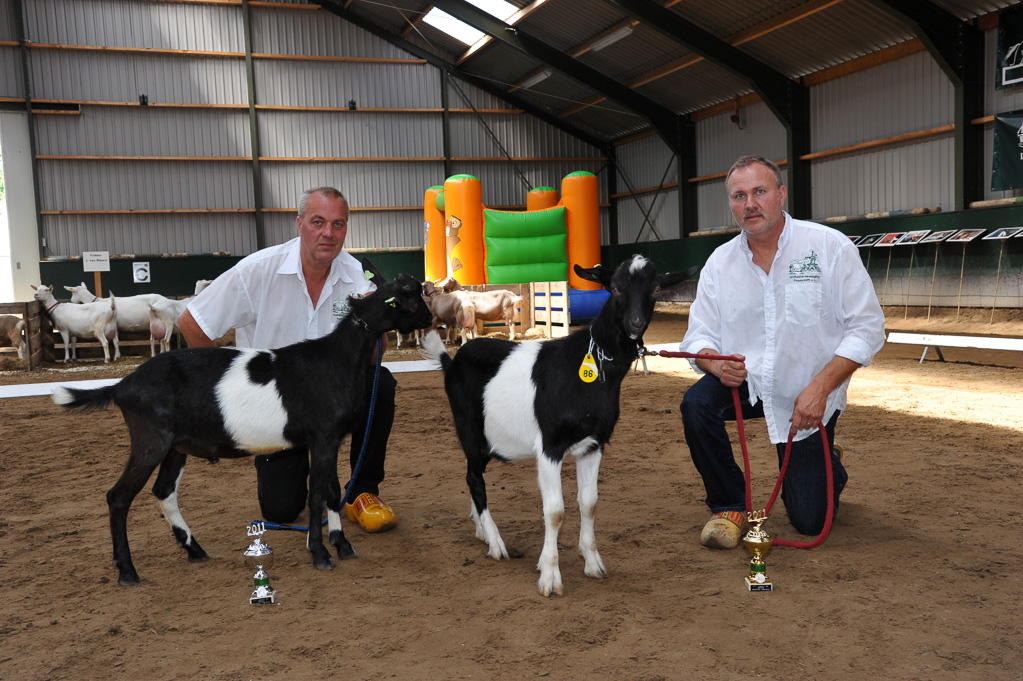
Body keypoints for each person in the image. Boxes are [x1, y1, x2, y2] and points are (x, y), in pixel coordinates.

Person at [679, 156, 885, 549]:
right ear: (732, 205)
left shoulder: (828, 247)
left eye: (759, 192)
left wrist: (822, 387)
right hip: (748, 382)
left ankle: (831, 468)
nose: (750, 204)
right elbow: (697, 337)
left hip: (806, 394)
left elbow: (868, 327)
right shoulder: (719, 263)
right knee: (697, 405)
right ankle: (729, 506)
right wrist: (714, 362)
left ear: (781, 194)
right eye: (739, 196)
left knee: (808, 519)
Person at [177, 186, 398, 533]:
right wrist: (229, 386)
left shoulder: (359, 276)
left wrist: (375, 319)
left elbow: (375, 354)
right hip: (276, 402)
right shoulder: (257, 270)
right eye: (318, 222)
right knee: (281, 510)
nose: (329, 233)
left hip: (331, 394)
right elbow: (192, 323)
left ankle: (362, 492)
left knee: (379, 382)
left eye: (338, 224)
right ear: (299, 224)